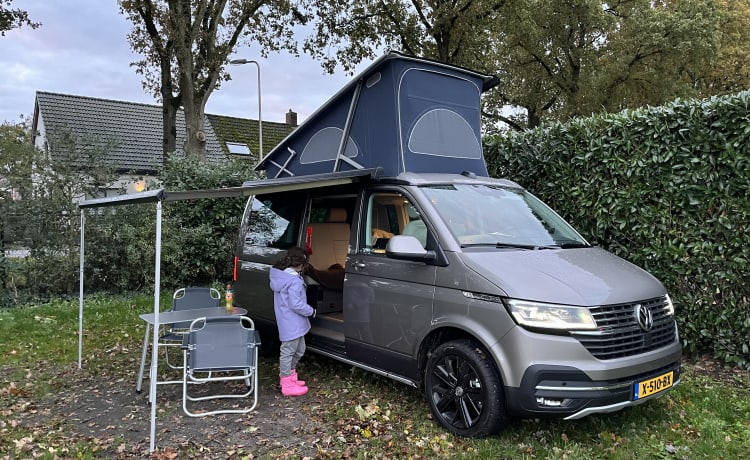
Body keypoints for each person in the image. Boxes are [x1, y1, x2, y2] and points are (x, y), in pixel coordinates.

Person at [269, 246, 316, 396]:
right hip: (292, 322)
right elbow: (296, 304)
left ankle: (290, 375)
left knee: (299, 349)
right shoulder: (294, 281)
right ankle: (287, 383)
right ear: (301, 265)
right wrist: (311, 311)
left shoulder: (283, 277)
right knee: (288, 351)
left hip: (291, 321)